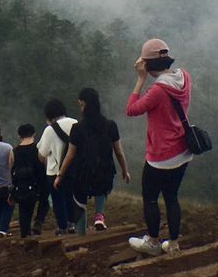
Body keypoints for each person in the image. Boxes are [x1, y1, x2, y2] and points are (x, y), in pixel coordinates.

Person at [126, 38, 194, 256]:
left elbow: (132, 109)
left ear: (147, 64)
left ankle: (153, 242)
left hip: (161, 155)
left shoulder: (157, 91)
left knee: (150, 197)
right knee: (172, 197)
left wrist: (140, 78)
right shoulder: (185, 77)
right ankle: (173, 244)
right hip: (183, 150)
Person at [54, 88, 130, 236]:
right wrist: (124, 170)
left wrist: (60, 175)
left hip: (82, 172)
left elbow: (70, 155)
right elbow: (119, 152)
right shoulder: (110, 125)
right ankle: (99, 215)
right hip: (105, 170)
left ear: (84, 103)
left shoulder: (77, 128)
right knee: (102, 188)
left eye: (80, 105)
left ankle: (81, 233)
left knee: (79, 200)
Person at [36, 98, 77, 236]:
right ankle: (73, 224)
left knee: (58, 200)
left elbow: (41, 155)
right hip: (74, 169)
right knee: (72, 197)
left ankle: (62, 226)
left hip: (55, 171)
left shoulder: (50, 129)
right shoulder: (76, 123)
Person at [10, 124, 45, 239]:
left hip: (20, 186)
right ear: (34, 134)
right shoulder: (38, 149)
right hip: (37, 185)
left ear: (19, 136)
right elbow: (43, 165)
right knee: (44, 201)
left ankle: (25, 235)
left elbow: (11, 169)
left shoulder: (14, 151)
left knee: (24, 211)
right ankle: (39, 221)